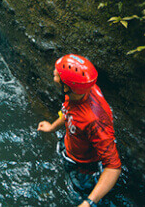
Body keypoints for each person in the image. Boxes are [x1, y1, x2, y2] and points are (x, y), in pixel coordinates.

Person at [37, 54, 121, 207]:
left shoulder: (94, 121)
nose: (54, 72)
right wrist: (52, 127)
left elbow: (113, 166)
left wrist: (88, 203)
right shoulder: (79, 91)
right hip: (71, 146)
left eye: (58, 73)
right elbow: (69, 111)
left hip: (83, 167)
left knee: (78, 191)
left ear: (66, 86)